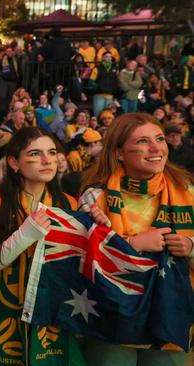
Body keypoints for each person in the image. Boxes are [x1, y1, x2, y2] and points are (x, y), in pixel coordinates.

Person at [79, 113, 194, 366]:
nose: (156, 148)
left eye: (160, 139)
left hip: (170, 311)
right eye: (143, 141)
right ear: (119, 152)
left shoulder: (186, 189)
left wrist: (190, 246)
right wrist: (132, 246)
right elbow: (83, 257)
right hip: (113, 316)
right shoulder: (95, 196)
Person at [0, 127, 84, 365]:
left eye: (52, 152)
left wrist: (97, 228)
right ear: (13, 162)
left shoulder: (68, 203)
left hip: (50, 310)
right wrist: (25, 235)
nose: (47, 160)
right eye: (35, 154)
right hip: (1, 307)